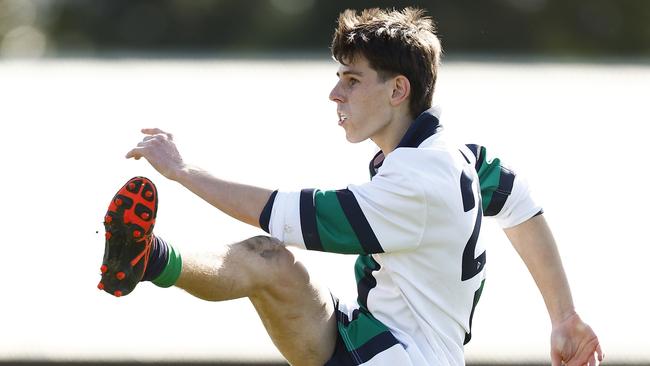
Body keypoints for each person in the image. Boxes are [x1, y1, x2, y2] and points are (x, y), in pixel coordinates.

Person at [98, 7, 603, 366]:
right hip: (372, 337)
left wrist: (185, 172)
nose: (335, 93)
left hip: (398, 358)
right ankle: (147, 258)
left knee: (272, 240)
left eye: (352, 80)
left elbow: (291, 213)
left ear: (397, 89)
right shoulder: (458, 157)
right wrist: (565, 317)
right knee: (269, 260)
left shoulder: (419, 180)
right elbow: (521, 205)